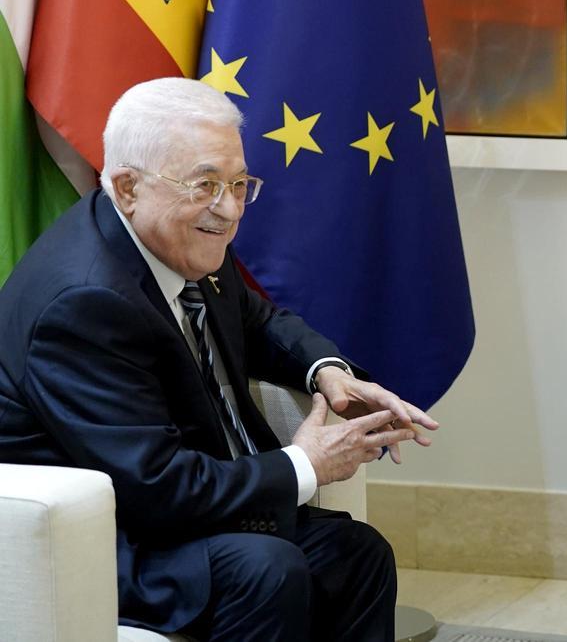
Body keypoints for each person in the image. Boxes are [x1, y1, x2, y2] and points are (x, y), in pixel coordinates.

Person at [0, 78, 436, 640]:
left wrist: (327, 373)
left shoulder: (177, 237)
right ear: (128, 187)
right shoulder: (83, 303)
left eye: (238, 183)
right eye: (205, 184)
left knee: (357, 553)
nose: (229, 210)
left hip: (184, 507)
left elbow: (257, 320)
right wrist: (306, 464)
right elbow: (155, 487)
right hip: (112, 540)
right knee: (267, 570)